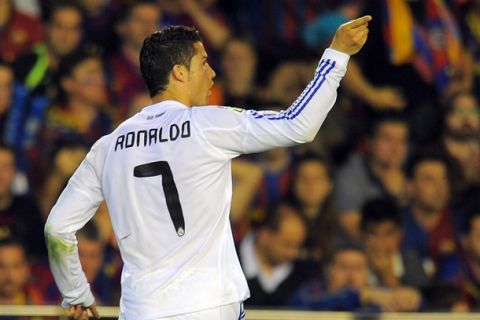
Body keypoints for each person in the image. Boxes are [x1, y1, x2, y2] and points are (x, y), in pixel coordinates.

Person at [45, 16, 371, 320]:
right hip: (208, 304)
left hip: (141, 309)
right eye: (203, 62)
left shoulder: (107, 147)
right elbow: (297, 124)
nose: (212, 73)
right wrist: (337, 55)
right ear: (179, 72)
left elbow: (58, 229)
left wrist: (76, 293)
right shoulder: (207, 124)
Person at [238, 202, 310, 307]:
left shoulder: (304, 273)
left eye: (297, 246)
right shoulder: (227, 262)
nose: (293, 253)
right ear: (264, 236)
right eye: (287, 245)